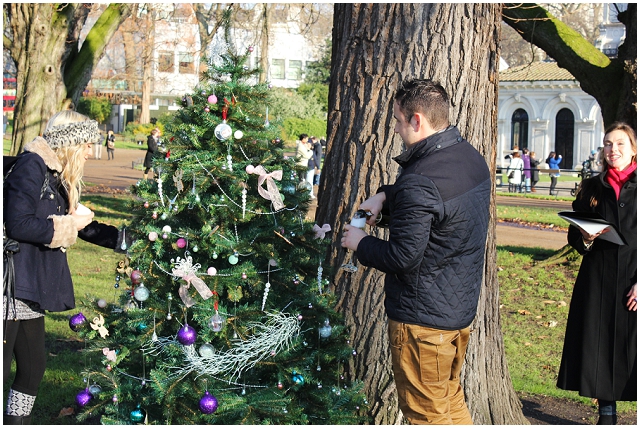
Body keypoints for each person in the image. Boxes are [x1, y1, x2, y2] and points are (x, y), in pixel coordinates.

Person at [341, 79, 491, 424]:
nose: (395, 128)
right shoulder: (469, 158)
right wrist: (385, 195)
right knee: (449, 405)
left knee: (427, 415)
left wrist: (359, 242)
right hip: (456, 313)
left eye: (397, 120)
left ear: (417, 120)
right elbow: (438, 206)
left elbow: (403, 257)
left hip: (423, 324)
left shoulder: (421, 179)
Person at [3, 111, 128, 424]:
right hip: (8, 285)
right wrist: (66, 226)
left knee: (33, 369)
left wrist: (129, 241)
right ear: (69, 142)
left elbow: (83, 226)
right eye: (86, 144)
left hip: (29, 287)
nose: (89, 151)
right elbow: (18, 224)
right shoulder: (31, 166)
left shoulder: (56, 175)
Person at [556, 122, 636, 425]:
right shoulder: (591, 187)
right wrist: (586, 238)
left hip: (633, 279)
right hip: (598, 279)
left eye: (620, 144)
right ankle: (606, 413)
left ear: (634, 149)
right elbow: (574, 236)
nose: (613, 150)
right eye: (608, 144)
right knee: (600, 343)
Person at [295, 133, 314, 199]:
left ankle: (301, 194)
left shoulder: (302, 145)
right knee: (301, 180)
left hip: (303, 165)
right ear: (303, 139)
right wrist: (311, 151)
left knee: (303, 180)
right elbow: (307, 156)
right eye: (307, 139)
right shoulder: (300, 146)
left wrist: (307, 148)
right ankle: (300, 195)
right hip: (301, 165)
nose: (307, 140)